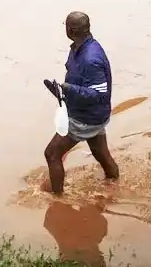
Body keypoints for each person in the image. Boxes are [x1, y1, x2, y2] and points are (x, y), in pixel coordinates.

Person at [43, 12, 119, 194]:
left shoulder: (90, 59)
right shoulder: (79, 47)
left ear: (71, 30)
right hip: (92, 113)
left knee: (52, 153)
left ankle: (57, 199)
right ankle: (115, 183)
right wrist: (62, 92)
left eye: (66, 25)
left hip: (86, 117)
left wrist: (68, 89)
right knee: (100, 153)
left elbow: (99, 94)